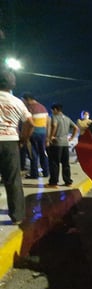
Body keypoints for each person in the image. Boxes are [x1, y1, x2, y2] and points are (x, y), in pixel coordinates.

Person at [0, 66, 34, 224]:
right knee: (13, 179)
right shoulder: (17, 102)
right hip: (10, 143)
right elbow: (30, 122)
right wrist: (23, 139)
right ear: (12, 84)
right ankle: (17, 216)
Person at [46, 103, 78, 188]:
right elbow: (76, 128)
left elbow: (54, 125)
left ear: (55, 110)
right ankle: (68, 182)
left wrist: (51, 136)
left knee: (54, 163)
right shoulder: (67, 118)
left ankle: (53, 183)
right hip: (65, 143)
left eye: (52, 110)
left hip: (56, 143)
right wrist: (72, 137)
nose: (52, 112)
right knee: (65, 163)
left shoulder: (54, 117)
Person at [21, 92, 50, 179]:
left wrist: (25, 137)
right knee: (43, 153)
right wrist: (47, 136)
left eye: (24, 101)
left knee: (33, 154)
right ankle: (46, 172)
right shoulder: (43, 107)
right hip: (43, 133)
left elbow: (27, 124)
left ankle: (34, 174)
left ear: (28, 99)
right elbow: (48, 122)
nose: (23, 103)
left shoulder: (29, 108)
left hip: (32, 134)